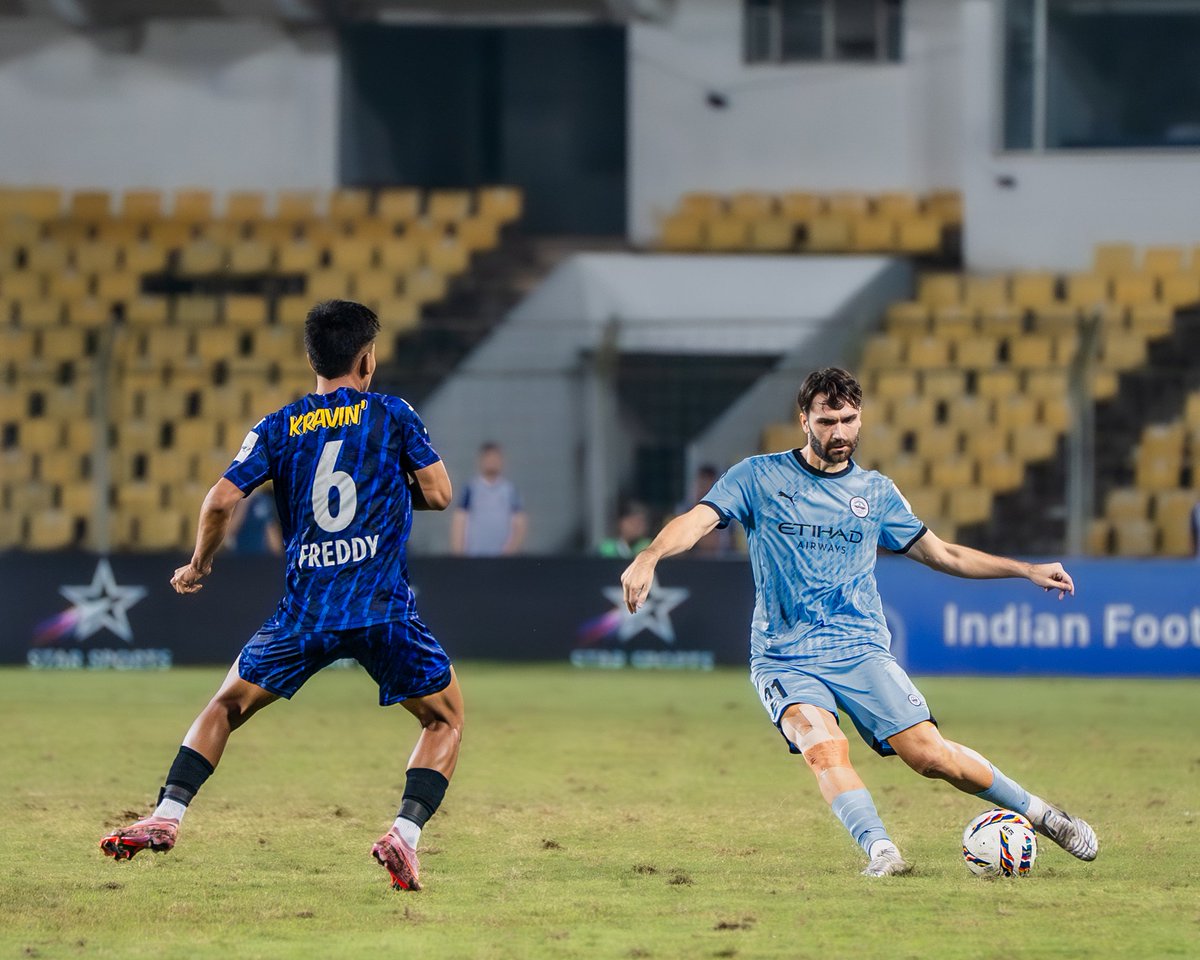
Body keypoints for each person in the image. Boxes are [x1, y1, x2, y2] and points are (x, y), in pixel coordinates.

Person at [619, 367, 1098, 877]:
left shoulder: (878, 493)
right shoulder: (757, 477)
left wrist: (1025, 570)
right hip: (785, 655)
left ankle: (1044, 816)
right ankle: (882, 852)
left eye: (849, 420)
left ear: (861, 417)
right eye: (827, 421)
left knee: (932, 757)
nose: (840, 433)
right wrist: (651, 555)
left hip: (860, 650)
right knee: (823, 748)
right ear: (804, 419)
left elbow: (947, 556)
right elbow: (697, 521)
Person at [100, 300, 464, 893]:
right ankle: (404, 833)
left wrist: (199, 564)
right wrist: (388, 496)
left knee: (224, 706)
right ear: (367, 360)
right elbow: (441, 494)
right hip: (381, 609)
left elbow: (219, 501)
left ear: (311, 359)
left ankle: (167, 816)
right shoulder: (392, 413)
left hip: (305, 612)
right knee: (444, 719)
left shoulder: (276, 426)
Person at [450, 442, 527, 556]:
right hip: (474, 556)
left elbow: (519, 522)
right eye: (488, 457)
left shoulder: (510, 491)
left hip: (502, 558)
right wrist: (459, 553)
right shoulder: (470, 489)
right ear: (481, 460)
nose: (492, 461)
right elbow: (459, 520)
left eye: (495, 458)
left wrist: (511, 550)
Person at [227, 484, 283, 555]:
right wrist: (243, 505)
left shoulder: (262, 500)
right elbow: (230, 532)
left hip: (260, 556)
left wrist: (278, 555)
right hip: (239, 555)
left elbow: (269, 527)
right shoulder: (233, 501)